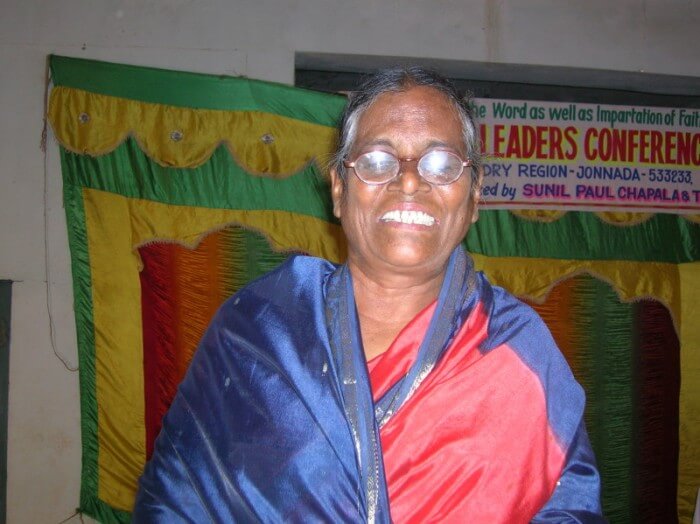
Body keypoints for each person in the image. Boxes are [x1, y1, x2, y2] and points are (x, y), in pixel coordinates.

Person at [133, 67, 604, 523]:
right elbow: (176, 500)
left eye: (441, 164)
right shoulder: (259, 330)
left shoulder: (517, 353)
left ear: (474, 195)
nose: (409, 181)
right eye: (377, 161)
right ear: (339, 189)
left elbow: (569, 509)